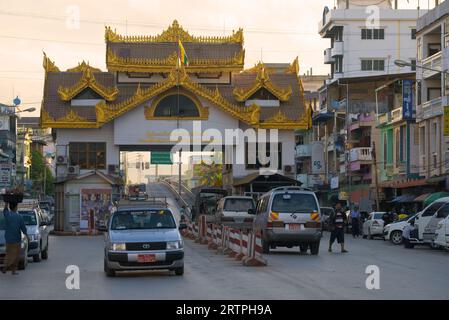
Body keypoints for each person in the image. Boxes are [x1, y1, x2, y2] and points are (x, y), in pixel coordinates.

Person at [2, 201, 28, 275]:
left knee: (8, 254)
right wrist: (27, 235)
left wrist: (6, 202)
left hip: (8, 239)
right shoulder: (19, 217)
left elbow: (5, 210)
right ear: (16, 207)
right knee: (16, 255)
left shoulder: (7, 215)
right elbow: (23, 228)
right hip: (16, 239)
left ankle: (5, 266)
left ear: (10, 207)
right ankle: (13, 270)